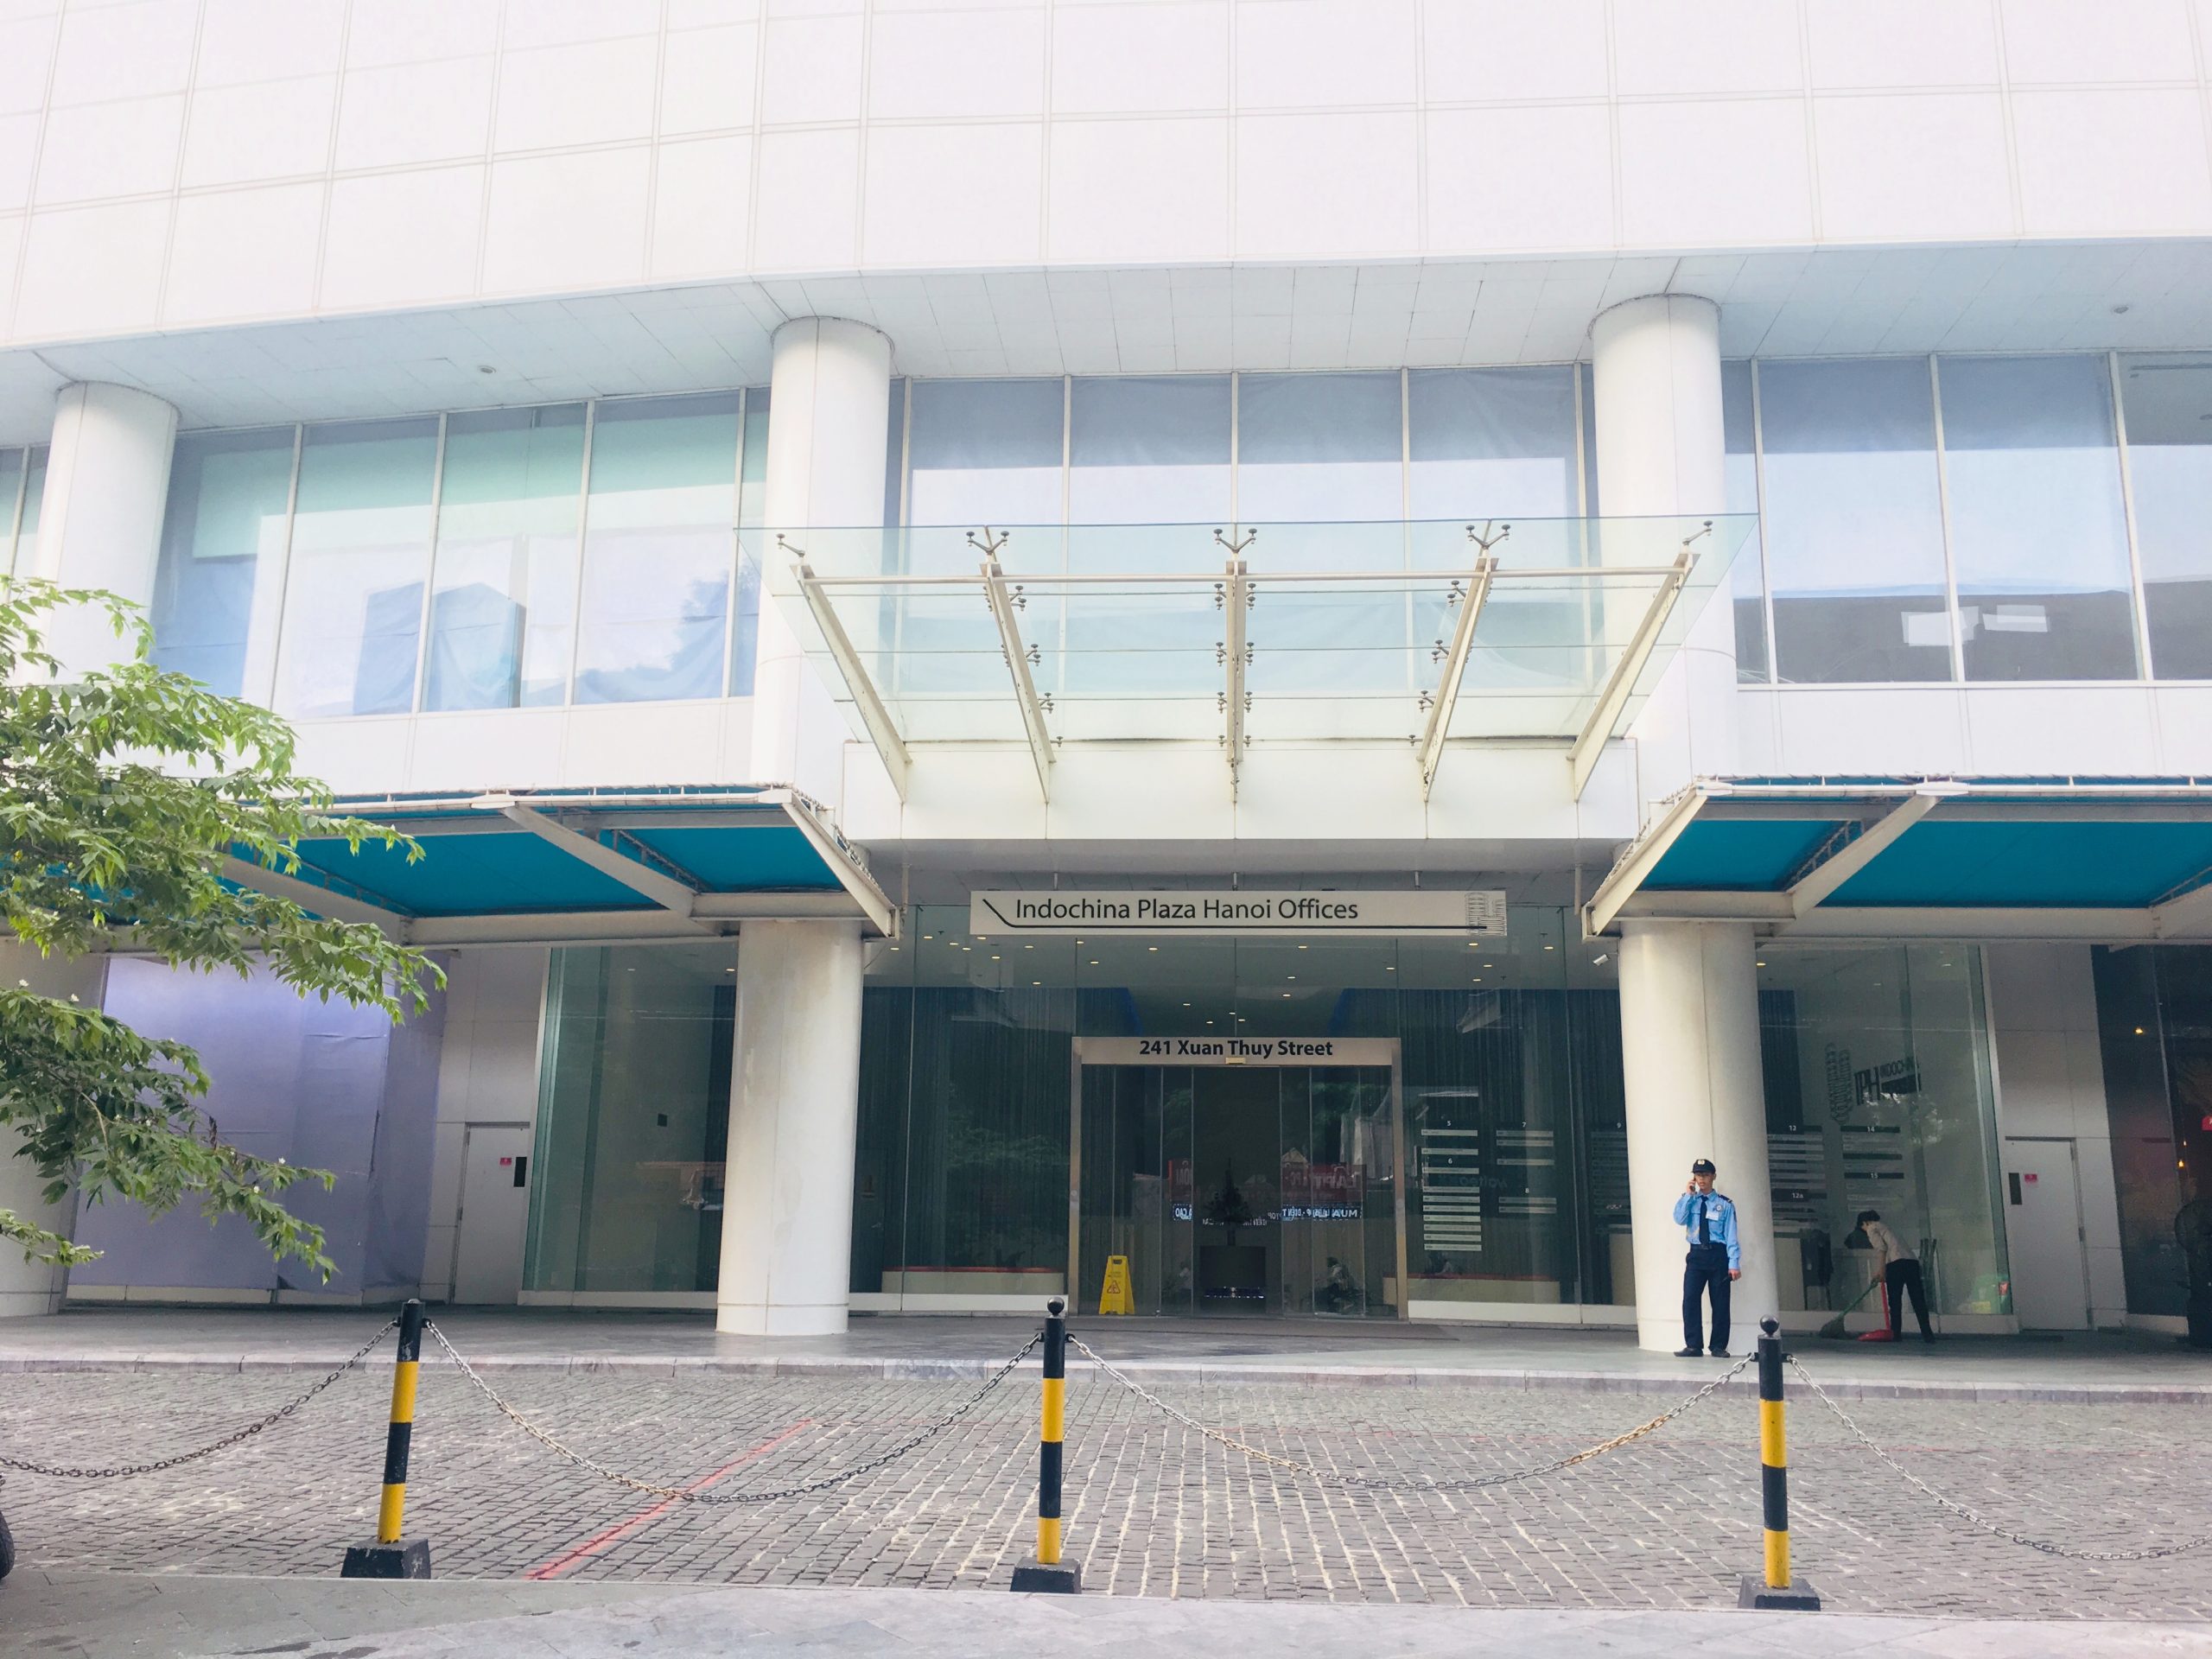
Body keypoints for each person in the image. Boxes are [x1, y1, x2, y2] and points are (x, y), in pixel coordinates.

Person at [1673, 1159, 1740, 1357]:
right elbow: (1679, 1219)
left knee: (1720, 1302)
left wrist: (1734, 1263)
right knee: (1690, 1299)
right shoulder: (1690, 1200)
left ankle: (1718, 1346)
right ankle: (1693, 1345)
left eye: (1705, 1175)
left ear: (1713, 1177)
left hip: (1718, 1255)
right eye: (1698, 1175)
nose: (1701, 1179)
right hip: (1696, 1255)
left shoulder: (1724, 1204)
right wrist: (1688, 1195)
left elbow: (1731, 1235)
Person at [1856, 1209, 1935, 1343]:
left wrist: (1881, 1271)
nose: (1864, 1231)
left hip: (1896, 1264)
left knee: (1895, 1300)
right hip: (1912, 1262)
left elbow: (1881, 1248)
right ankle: (1928, 1334)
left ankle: (1896, 1334)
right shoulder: (1888, 1227)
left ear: (1864, 1223)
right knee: (1918, 1300)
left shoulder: (1871, 1228)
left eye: (1862, 1228)